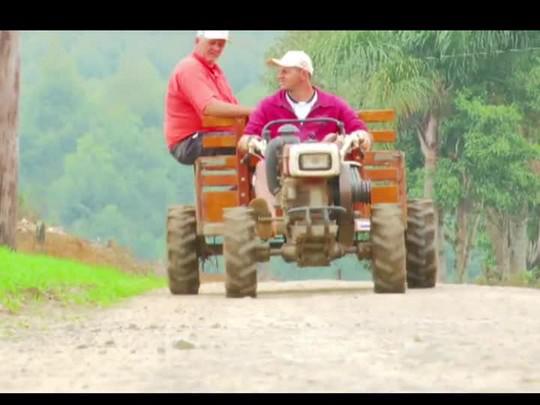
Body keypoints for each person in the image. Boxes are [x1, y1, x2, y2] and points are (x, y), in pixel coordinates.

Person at [238, 50, 373, 235]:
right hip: (282, 169)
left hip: (327, 167)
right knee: (262, 165)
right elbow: (246, 138)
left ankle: (345, 214)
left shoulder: (334, 104)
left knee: (338, 149)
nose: (280, 75)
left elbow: (359, 129)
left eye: (286, 71)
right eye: (280, 71)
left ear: (303, 74)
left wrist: (360, 137)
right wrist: (252, 142)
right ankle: (268, 219)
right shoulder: (268, 105)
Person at [164, 30, 253, 165]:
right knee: (253, 144)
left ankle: (250, 183)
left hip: (210, 135)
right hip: (188, 142)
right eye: (212, 43)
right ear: (197, 41)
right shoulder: (189, 68)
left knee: (259, 140)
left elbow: (232, 106)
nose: (216, 48)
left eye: (221, 44)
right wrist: (253, 111)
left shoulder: (214, 70)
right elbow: (209, 107)